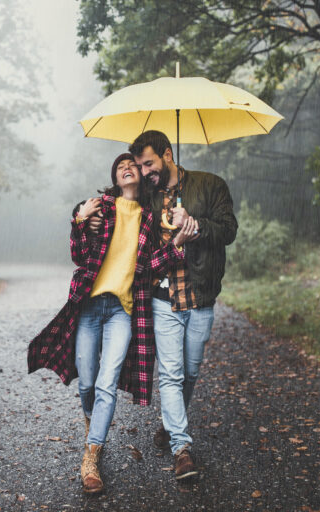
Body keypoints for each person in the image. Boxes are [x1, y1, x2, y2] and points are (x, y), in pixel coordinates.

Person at [27, 153, 198, 494]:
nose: (126, 168)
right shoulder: (100, 208)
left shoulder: (149, 218)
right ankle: (94, 423)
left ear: (137, 175)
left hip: (123, 309)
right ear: (115, 177)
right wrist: (78, 220)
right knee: (87, 382)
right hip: (90, 306)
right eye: (120, 166)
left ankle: (91, 456)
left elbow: (149, 265)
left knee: (106, 383)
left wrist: (177, 243)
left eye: (131, 165)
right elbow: (79, 255)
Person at [129, 130, 238, 480]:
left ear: (167, 153)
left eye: (149, 163)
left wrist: (195, 224)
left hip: (201, 297)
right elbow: (123, 218)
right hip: (164, 300)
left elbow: (229, 230)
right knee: (172, 376)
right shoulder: (146, 198)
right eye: (141, 166)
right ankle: (182, 449)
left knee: (190, 373)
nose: (145, 172)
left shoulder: (211, 185)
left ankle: (168, 423)